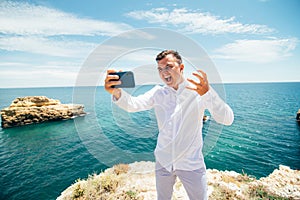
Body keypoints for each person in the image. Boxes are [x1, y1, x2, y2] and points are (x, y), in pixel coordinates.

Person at [104, 50, 234, 200]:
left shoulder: (199, 91)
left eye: (168, 67)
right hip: (163, 163)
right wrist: (116, 92)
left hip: (191, 164)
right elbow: (133, 105)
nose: (164, 72)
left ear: (181, 68)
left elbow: (227, 119)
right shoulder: (158, 93)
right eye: (160, 69)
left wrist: (208, 94)